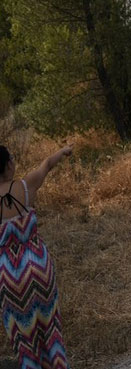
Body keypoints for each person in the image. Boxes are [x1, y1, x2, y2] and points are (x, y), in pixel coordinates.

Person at [0, 144, 72, 369]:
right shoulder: (25, 185)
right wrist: (63, 150)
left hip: (7, 275)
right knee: (50, 329)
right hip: (38, 265)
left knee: (23, 339)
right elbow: (47, 164)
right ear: (8, 165)